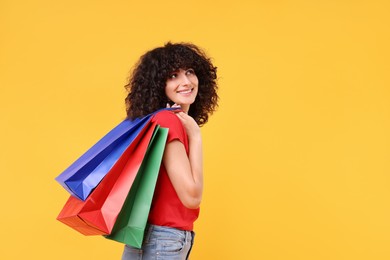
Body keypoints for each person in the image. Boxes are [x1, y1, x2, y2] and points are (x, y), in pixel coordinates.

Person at [122, 42, 219, 259]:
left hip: (148, 236)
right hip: (162, 240)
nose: (185, 81)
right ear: (159, 85)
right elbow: (192, 197)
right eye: (173, 75)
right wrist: (196, 136)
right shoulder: (168, 121)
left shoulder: (162, 121)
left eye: (190, 72)